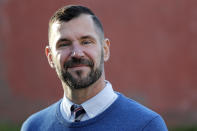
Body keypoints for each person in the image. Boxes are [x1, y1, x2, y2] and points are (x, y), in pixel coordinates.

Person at [21, 5, 168, 131]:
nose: (77, 53)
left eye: (86, 41)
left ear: (105, 49)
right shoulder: (34, 127)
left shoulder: (146, 126)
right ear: (50, 56)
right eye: (64, 44)